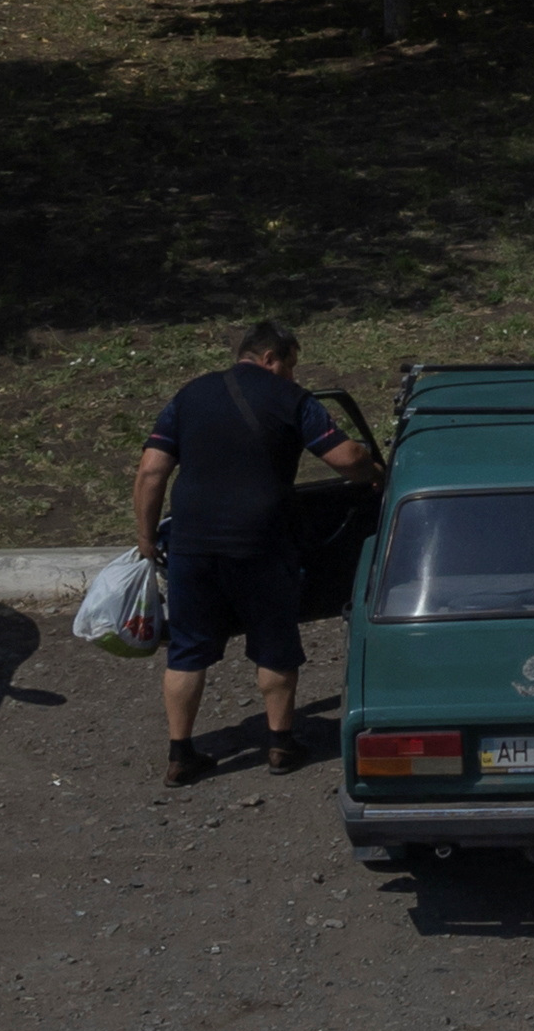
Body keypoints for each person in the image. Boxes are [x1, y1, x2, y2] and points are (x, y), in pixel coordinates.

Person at [130, 324, 376, 785]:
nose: (290, 374)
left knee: (187, 650)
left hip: (193, 545)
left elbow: (150, 471)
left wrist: (146, 538)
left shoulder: (189, 396)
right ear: (269, 357)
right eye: (289, 364)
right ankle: (281, 744)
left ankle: (180, 752)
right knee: (274, 643)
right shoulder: (292, 399)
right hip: (263, 542)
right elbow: (345, 459)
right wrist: (374, 470)